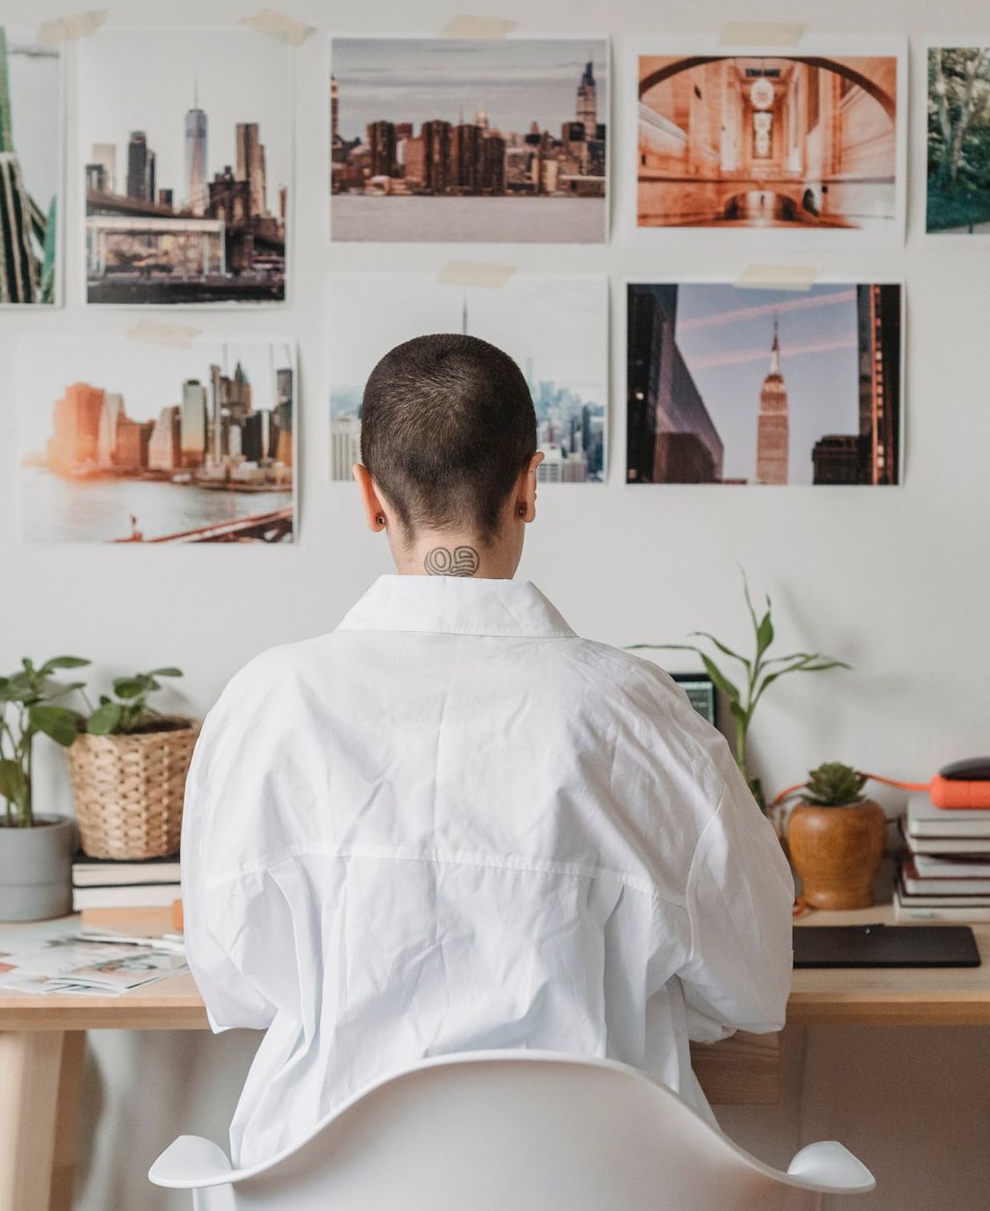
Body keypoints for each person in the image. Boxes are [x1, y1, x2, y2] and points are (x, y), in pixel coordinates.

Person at [182, 334, 793, 1166]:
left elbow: (234, 985)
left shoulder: (267, 704)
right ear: (531, 487)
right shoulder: (639, 716)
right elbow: (757, 984)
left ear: (367, 496)